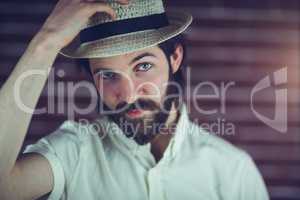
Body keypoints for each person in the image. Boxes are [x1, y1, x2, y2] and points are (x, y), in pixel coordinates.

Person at [0, 0, 269, 199]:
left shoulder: (234, 171)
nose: (127, 94)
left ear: (175, 57)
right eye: (107, 74)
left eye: (142, 66)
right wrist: (46, 42)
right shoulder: (74, 152)